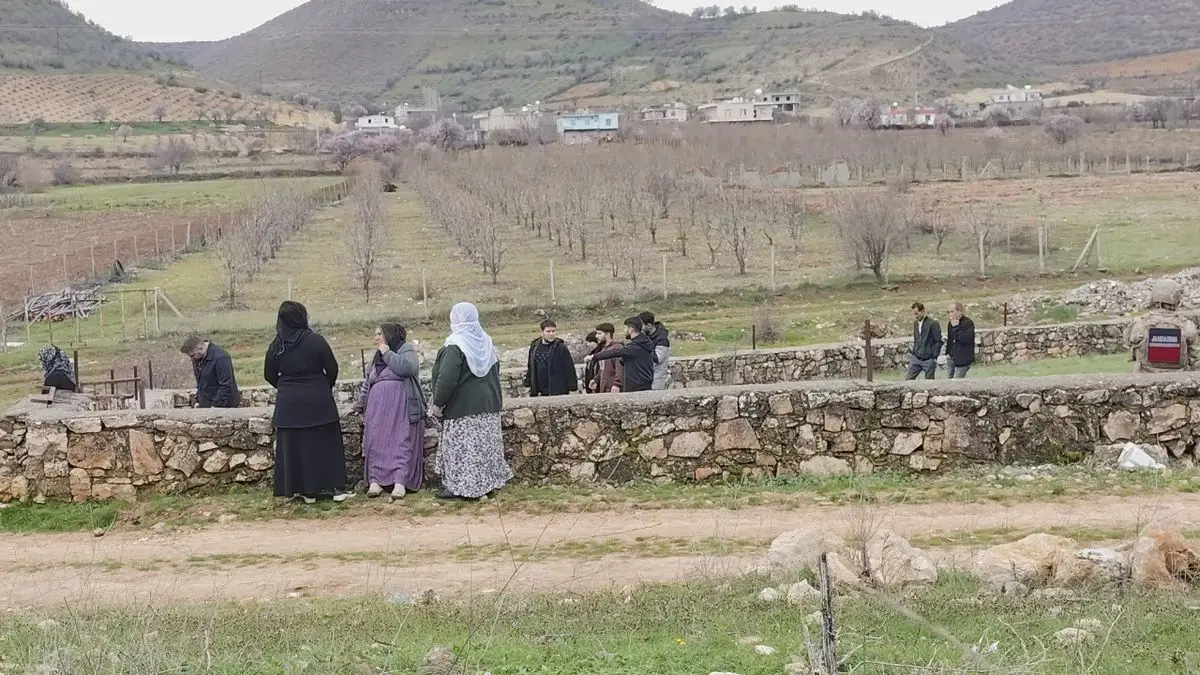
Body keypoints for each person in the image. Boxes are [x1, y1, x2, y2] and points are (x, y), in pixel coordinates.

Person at [264, 301, 348, 504]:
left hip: (289, 404)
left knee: (296, 448)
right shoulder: (316, 341)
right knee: (325, 445)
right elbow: (333, 369)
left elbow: (269, 374)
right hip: (319, 401)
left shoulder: (278, 345)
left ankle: (305, 491)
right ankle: (336, 489)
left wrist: (287, 388)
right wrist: (321, 387)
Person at [429, 302, 512, 500]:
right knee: (484, 448)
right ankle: (485, 485)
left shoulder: (455, 345)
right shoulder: (485, 342)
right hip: (489, 404)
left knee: (463, 450)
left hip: (463, 408)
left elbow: (447, 378)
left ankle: (463, 488)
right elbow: (495, 370)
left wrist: (438, 403)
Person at [354, 323, 426, 500]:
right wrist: (360, 404)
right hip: (377, 409)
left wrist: (387, 353)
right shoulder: (375, 357)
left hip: (400, 407)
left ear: (389, 335)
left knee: (401, 441)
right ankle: (375, 482)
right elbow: (368, 382)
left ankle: (399, 482)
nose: (376, 338)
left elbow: (408, 368)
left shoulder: (405, 350)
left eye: (379, 334)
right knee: (375, 442)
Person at [1125, 279, 1199, 373]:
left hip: (1144, 380)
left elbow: (1130, 348)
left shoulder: (1139, 323)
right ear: (1177, 300)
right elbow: (1196, 361)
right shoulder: (1187, 326)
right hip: (1178, 380)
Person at [586, 316, 656, 393]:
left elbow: (616, 353)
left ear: (631, 329)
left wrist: (596, 356)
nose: (624, 331)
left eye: (625, 328)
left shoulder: (635, 347)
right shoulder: (642, 344)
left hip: (636, 387)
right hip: (642, 385)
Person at [180, 335, 241, 408]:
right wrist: (198, 400)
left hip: (224, 407)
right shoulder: (197, 358)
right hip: (206, 405)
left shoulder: (221, 358)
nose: (191, 359)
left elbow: (226, 385)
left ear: (200, 348)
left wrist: (215, 406)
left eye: (192, 355)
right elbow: (202, 383)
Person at [524, 319, 578, 397]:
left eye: (553, 331)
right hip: (539, 389)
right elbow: (530, 366)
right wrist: (528, 384)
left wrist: (572, 388)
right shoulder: (535, 346)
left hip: (557, 389)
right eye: (548, 331)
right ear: (542, 332)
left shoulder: (560, 347)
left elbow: (569, 368)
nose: (551, 334)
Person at [905, 301, 943, 380]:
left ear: (923, 311)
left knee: (929, 384)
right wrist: (914, 352)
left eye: (917, 313)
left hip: (928, 360)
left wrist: (934, 357)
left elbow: (938, 341)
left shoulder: (933, 324)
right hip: (916, 358)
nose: (915, 316)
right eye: (914, 314)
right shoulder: (916, 323)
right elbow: (916, 339)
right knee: (908, 380)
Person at [638, 311, 673, 390]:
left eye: (641, 325)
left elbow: (658, 359)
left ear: (649, 325)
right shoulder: (646, 336)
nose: (640, 328)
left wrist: (644, 344)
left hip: (657, 378)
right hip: (647, 377)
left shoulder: (662, 339)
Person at [941, 302, 976, 379]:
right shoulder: (950, 323)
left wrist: (956, 327)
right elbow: (950, 339)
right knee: (949, 380)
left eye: (952, 311)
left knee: (956, 381)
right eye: (948, 312)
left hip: (963, 359)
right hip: (951, 357)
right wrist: (948, 352)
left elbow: (965, 339)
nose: (950, 314)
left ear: (959, 311)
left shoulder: (968, 323)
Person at [593, 322, 624, 394]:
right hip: (604, 389)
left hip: (613, 389)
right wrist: (595, 379)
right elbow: (603, 369)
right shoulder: (604, 350)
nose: (596, 336)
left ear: (607, 334)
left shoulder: (617, 348)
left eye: (599, 334)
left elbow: (619, 368)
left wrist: (617, 384)